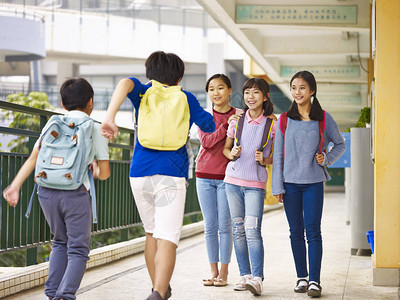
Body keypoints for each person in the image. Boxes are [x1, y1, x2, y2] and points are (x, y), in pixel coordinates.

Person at [100, 51, 215, 300]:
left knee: (151, 232)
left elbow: (124, 83)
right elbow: (209, 125)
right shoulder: (186, 98)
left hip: (139, 173)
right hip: (171, 175)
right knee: (168, 237)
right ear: (179, 76)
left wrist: (109, 117)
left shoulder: (142, 92)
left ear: (150, 73)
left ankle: (157, 288)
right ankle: (159, 294)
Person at [3, 78, 111, 300]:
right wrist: (95, 167)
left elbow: (35, 156)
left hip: (46, 192)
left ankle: (51, 294)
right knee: (78, 249)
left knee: (59, 242)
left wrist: (15, 185)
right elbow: (105, 174)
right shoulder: (95, 128)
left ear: (63, 104)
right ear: (91, 102)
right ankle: (65, 295)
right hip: (76, 193)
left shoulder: (53, 123)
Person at [271, 70, 346, 298]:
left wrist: (327, 158)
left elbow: (340, 144)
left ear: (312, 90)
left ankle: (314, 281)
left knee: (313, 232)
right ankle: (301, 277)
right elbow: (278, 156)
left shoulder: (323, 118)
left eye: (302, 87)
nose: (297, 92)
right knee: (295, 232)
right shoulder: (284, 120)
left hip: (314, 182)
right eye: (294, 87)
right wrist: (277, 186)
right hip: (290, 184)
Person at [223, 77, 276, 296]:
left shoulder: (273, 124)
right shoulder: (236, 121)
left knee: (252, 230)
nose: (250, 97)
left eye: (255, 93)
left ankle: (257, 278)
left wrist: (265, 160)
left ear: (265, 97)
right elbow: (226, 150)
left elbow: (277, 156)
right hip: (232, 182)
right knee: (238, 230)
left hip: (255, 184)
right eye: (247, 93)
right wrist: (232, 153)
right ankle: (244, 276)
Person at [196, 74, 238, 287]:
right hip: (203, 176)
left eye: (220, 88)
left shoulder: (239, 115)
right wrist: (224, 127)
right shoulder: (204, 115)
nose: (216, 93)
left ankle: (224, 272)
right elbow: (207, 141)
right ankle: (212, 271)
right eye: (211, 89)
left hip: (227, 178)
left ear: (230, 90)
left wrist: (232, 124)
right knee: (210, 226)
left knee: (225, 226)